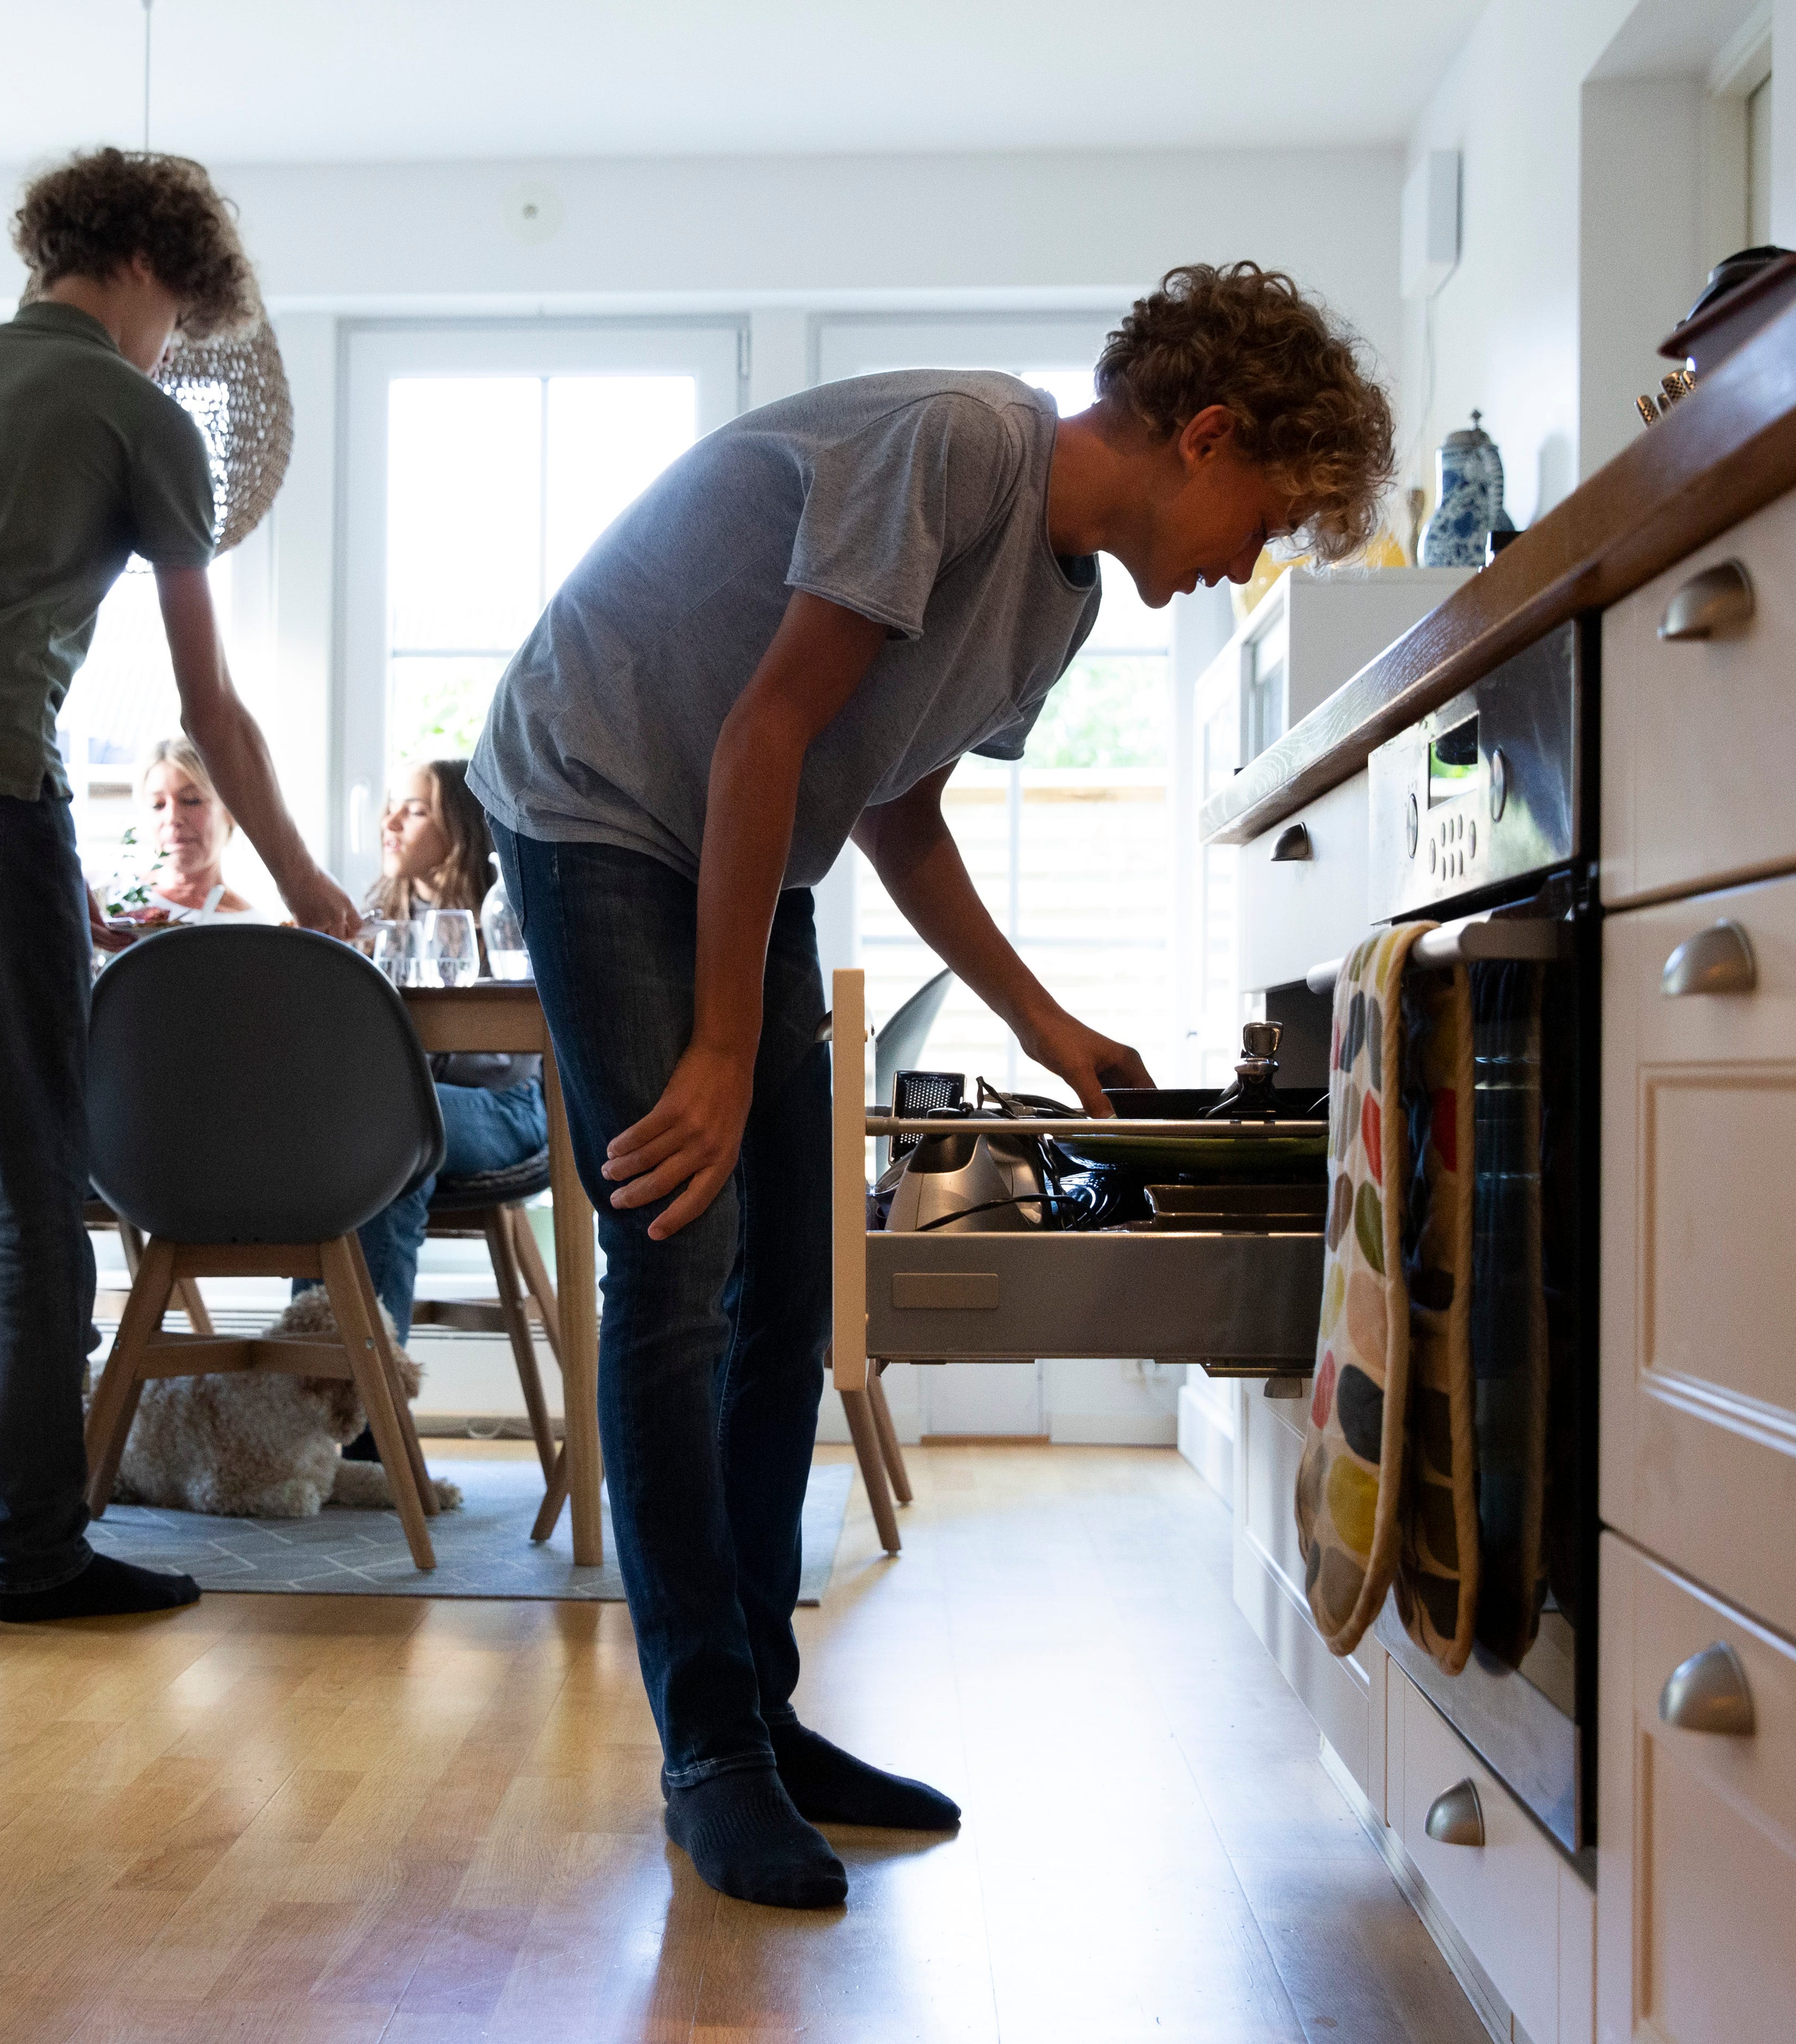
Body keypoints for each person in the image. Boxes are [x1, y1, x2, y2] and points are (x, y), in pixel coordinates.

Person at [468, 262, 1399, 1907]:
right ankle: (709, 1753)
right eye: (1267, 515)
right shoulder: (963, 446)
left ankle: (762, 1711)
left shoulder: (1066, 602)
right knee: (678, 1267)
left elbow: (892, 808)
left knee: (792, 1284)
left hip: (738, 834)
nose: (1249, 561)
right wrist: (722, 1046)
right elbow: (767, 732)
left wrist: (1042, 1020)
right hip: (605, 792)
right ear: (1204, 434)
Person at [0, 147, 358, 1630]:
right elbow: (211, 707)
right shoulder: (133, 409)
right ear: (156, 274)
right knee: (41, 1168)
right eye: (181, 320)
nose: (176, 346)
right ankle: (40, 1551)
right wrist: (304, 883)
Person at [350, 761, 549, 1338]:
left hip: (508, 1107)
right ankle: (343, 1386)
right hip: (399, 1117)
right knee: (372, 1142)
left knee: (385, 1127)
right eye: (391, 806)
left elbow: (505, 1058)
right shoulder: (371, 924)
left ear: (461, 827)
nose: (389, 822)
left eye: (413, 810)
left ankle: (357, 1388)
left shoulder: (509, 919)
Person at [96, 735, 254, 948]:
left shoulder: (252, 928)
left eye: (192, 800)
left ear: (230, 810)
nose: (172, 818)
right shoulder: (110, 900)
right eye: (158, 805)